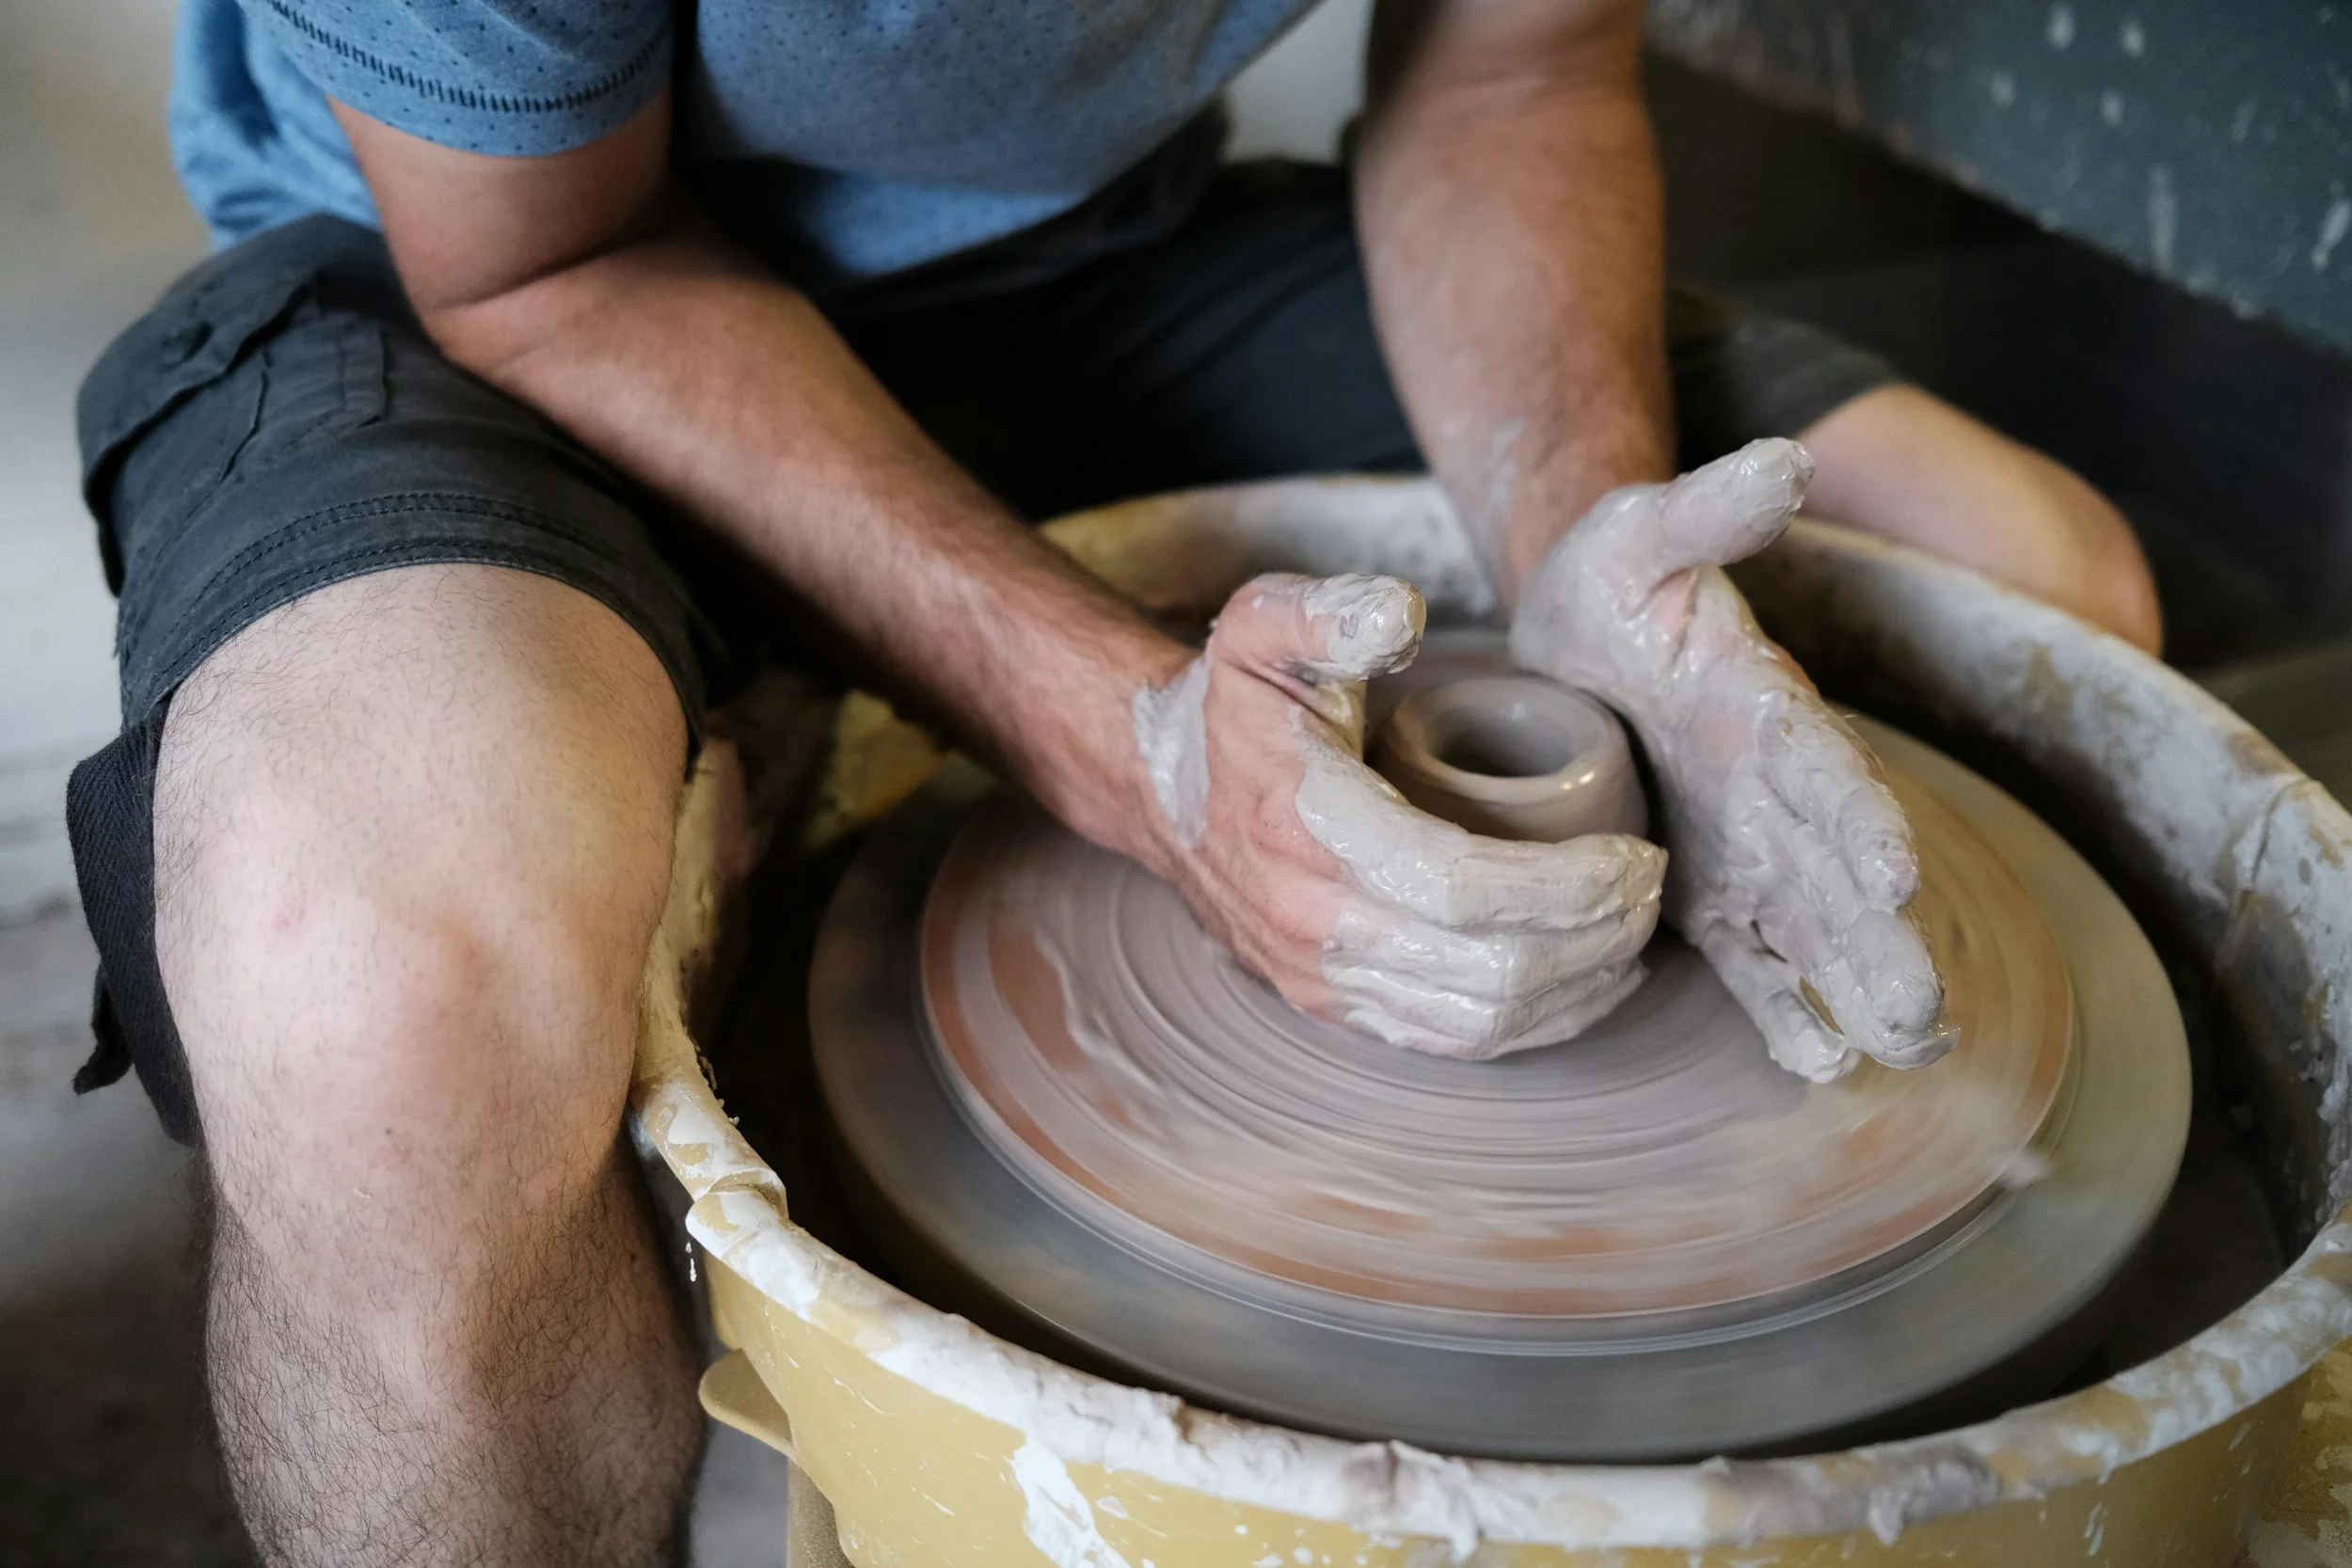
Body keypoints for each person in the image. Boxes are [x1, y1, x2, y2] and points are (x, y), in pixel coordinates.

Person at [68, 0, 2160, 1560]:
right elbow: (542, 265)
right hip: (487, 296)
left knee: (2023, 593)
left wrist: (1575, 544)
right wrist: (1135, 748)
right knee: (368, 988)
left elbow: (1509, 66)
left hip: (1099, 268)